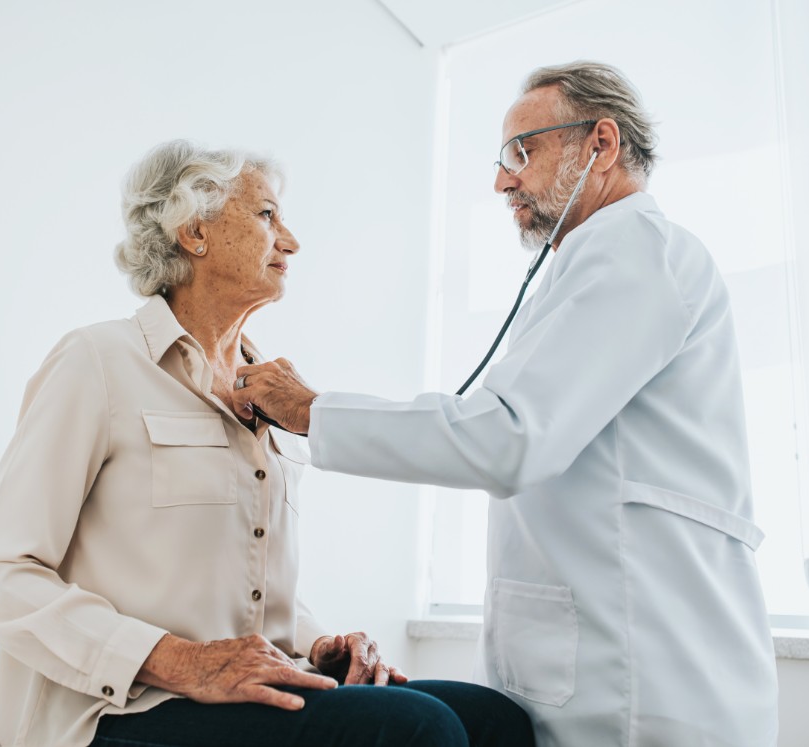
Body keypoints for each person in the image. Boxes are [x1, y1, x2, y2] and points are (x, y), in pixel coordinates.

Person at [233, 61, 780, 747]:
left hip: (642, 682)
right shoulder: (592, 262)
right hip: (595, 660)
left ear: (599, 145)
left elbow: (511, 437)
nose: (501, 180)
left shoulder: (635, 252)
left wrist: (314, 410)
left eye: (522, 152)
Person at [0, 140, 535, 747]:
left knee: (495, 721)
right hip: (121, 708)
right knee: (418, 729)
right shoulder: (97, 362)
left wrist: (315, 644)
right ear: (194, 231)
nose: (290, 241)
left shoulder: (272, 389)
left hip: (247, 692)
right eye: (266, 216)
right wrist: (179, 661)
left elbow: (239, 591)